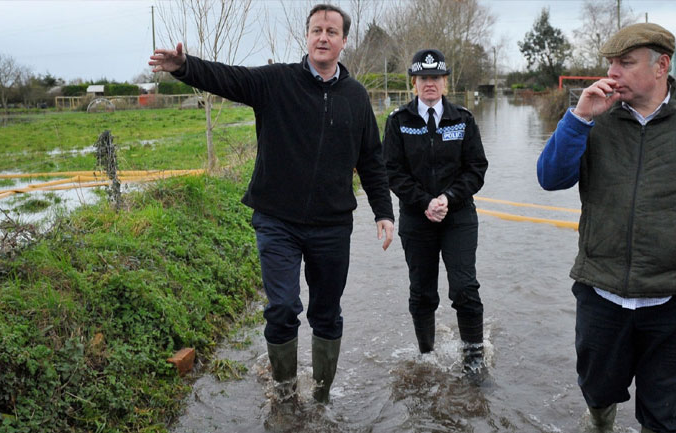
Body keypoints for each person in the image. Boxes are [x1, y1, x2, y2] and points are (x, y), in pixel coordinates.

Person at [149, 4, 395, 404]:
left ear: (344, 41)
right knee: (282, 306)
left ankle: (321, 399)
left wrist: (383, 212)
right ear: (307, 36)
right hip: (277, 220)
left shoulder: (356, 97)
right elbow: (228, 78)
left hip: (332, 224)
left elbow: (371, 159)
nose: (323, 37)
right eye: (316, 30)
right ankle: (284, 394)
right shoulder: (277, 81)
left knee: (327, 313)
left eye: (331, 31)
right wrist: (185, 67)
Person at [537, 23, 676, 433]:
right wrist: (579, 118)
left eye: (625, 63)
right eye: (610, 63)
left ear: (661, 66)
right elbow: (550, 177)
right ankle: (600, 420)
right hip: (602, 294)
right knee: (597, 390)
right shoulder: (593, 118)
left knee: (665, 415)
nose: (612, 73)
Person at [383, 49, 488, 381]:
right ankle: (426, 356)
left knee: (465, 288)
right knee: (422, 291)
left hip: (458, 217)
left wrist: (447, 197)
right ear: (414, 83)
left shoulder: (463, 119)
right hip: (417, 219)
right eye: (423, 78)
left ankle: (474, 359)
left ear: (445, 82)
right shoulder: (398, 122)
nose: (429, 83)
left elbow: (476, 169)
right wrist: (425, 202)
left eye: (436, 77)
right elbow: (392, 172)